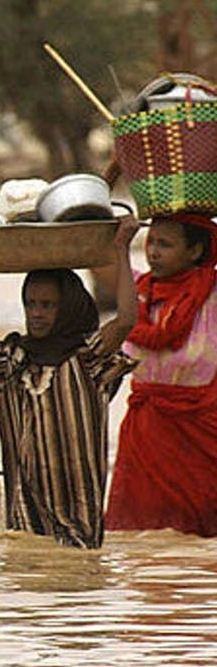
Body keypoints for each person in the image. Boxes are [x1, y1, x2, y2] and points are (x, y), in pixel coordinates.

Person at [0, 216, 140, 548]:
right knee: (28, 575)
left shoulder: (87, 360)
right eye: (31, 304)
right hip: (25, 520)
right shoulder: (10, 362)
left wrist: (121, 249)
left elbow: (126, 320)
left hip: (80, 527)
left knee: (76, 578)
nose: (37, 313)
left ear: (68, 309)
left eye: (48, 305)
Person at [107, 214, 217, 536]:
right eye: (150, 241)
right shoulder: (138, 292)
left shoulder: (211, 296)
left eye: (165, 244)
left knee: (201, 539)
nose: (153, 251)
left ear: (195, 251)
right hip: (146, 431)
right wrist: (119, 243)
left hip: (201, 431)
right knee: (139, 538)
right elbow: (93, 258)